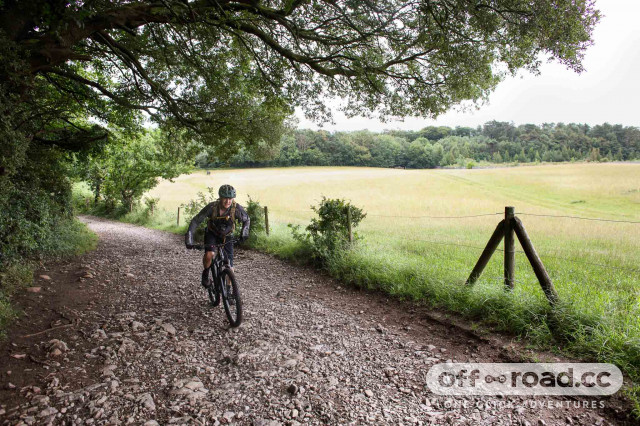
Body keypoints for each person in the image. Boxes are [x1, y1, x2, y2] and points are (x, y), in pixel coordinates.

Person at [185, 184, 250, 287]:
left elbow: (246, 220)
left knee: (230, 266)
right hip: (212, 233)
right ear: (220, 197)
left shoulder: (236, 208)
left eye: (230, 199)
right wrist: (189, 238)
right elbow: (195, 221)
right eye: (225, 198)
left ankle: (228, 291)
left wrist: (244, 233)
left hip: (227, 235)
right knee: (209, 254)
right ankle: (206, 272)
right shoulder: (212, 207)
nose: (228, 201)